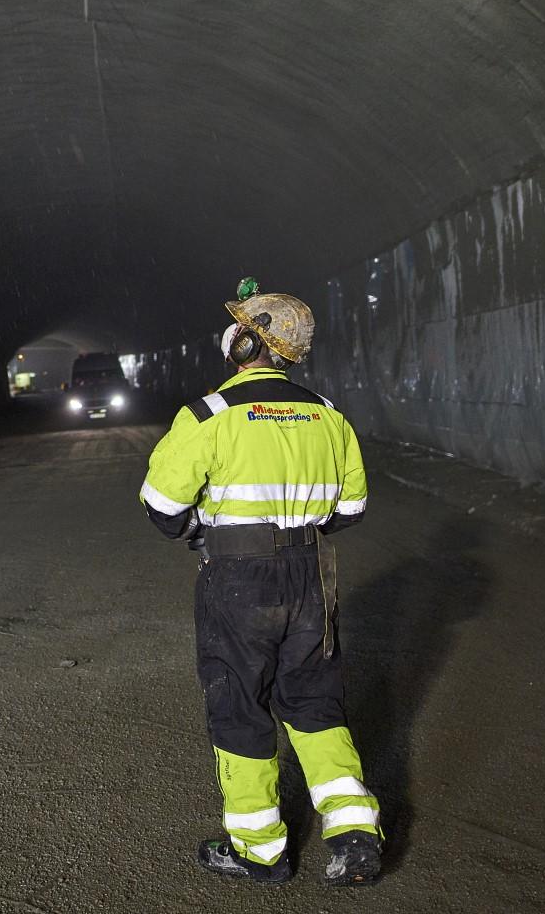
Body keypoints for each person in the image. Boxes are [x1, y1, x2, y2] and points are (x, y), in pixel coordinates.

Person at [137, 279, 385, 887]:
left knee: (238, 706)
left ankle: (260, 850)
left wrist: (218, 530)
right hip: (311, 577)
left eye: (238, 324)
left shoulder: (209, 415)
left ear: (246, 341)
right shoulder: (327, 415)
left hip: (238, 580)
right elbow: (350, 509)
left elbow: (162, 509)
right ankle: (354, 835)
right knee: (315, 704)